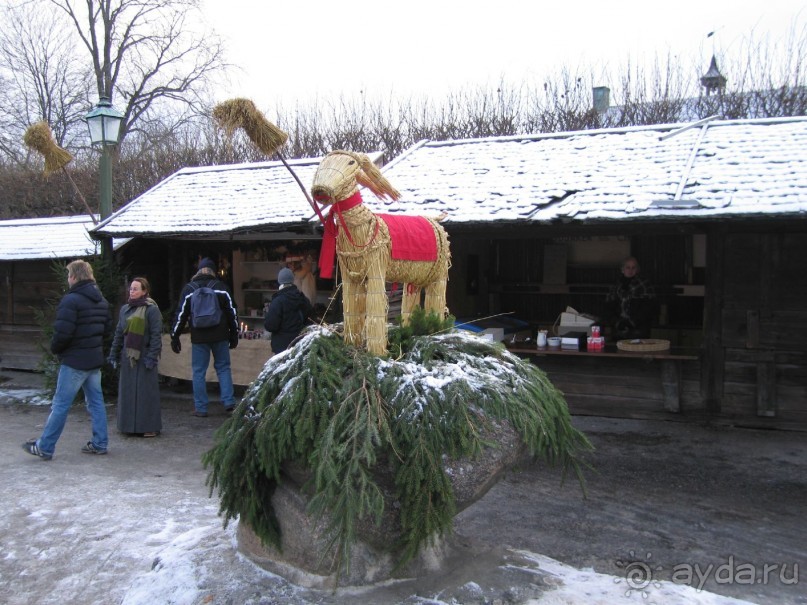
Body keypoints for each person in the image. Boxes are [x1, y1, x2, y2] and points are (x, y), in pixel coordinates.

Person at [22, 260, 112, 460]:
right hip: (93, 360)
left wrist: (56, 350)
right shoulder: (101, 301)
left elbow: (62, 333)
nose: (67, 278)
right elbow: (106, 330)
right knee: (96, 403)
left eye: (68, 275)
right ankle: (100, 443)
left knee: (61, 405)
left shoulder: (71, 301)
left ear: (74, 276)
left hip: (75, 361)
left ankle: (45, 447)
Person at [170, 257, 239, 417]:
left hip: (199, 337)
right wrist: (234, 334)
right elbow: (232, 312)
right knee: (223, 368)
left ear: (198, 270)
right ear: (213, 271)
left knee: (199, 371)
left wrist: (175, 336)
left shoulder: (189, 289)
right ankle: (229, 402)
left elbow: (180, 314)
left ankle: (201, 408)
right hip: (220, 335)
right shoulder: (221, 287)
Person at [108, 277, 162, 437]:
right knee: (128, 392)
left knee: (146, 394)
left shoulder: (152, 310)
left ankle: (149, 427)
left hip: (145, 356)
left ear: (145, 291)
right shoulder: (125, 309)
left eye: (136, 289)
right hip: (128, 357)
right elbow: (119, 333)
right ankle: (127, 426)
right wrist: (113, 353)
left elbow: (155, 335)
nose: (132, 291)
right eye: (131, 288)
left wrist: (152, 356)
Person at [605, 256, 656, 339]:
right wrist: (617, 322)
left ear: (637, 270)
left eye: (633, 267)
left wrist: (632, 322)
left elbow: (648, 308)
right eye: (628, 267)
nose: (630, 270)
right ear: (622, 269)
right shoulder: (615, 286)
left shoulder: (644, 285)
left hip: (639, 329)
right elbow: (609, 307)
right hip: (619, 327)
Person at [264, 267, 313, 354]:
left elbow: (270, 326)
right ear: (292, 280)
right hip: (300, 345)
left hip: (281, 347)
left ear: (279, 281)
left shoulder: (278, 301)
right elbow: (310, 320)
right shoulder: (303, 299)